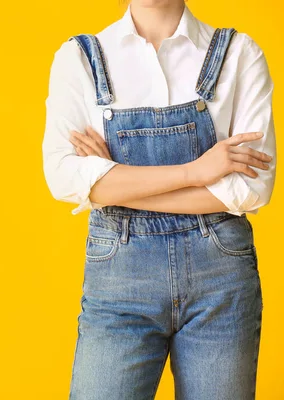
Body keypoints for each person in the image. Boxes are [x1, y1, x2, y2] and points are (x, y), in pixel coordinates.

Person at [41, 1, 276, 399]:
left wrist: (114, 185)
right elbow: (63, 178)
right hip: (119, 281)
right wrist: (195, 173)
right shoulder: (80, 58)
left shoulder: (239, 53)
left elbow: (251, 189)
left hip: (219, 279)